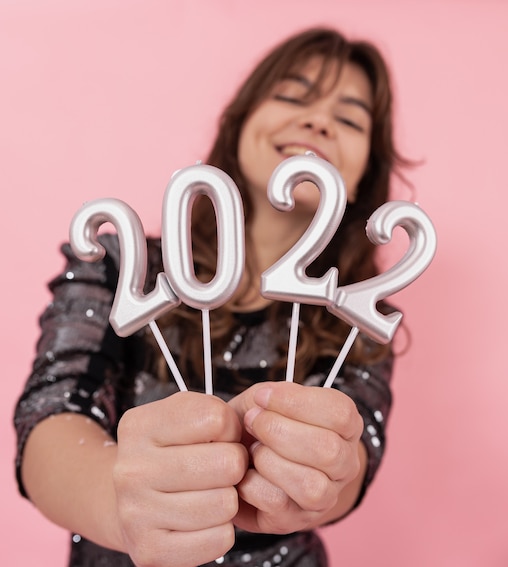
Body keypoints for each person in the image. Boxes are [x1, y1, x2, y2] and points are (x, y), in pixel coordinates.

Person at [14, 27, 406, 567]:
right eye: (292, 95)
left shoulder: (360, 311)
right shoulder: (122, 265)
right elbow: (52, 414)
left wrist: (321, 479)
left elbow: (356, 457)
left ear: (365, 175)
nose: (318, 121)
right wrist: (117, 501)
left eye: (349, 117)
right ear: (240, 122)